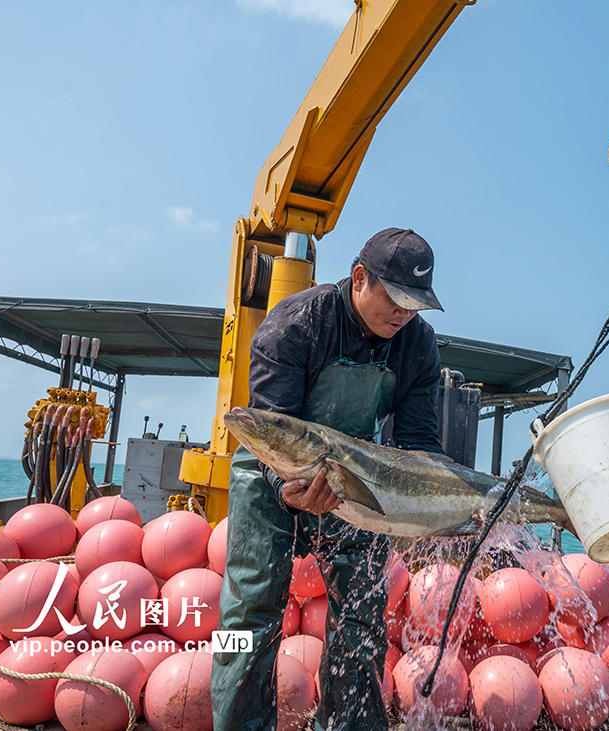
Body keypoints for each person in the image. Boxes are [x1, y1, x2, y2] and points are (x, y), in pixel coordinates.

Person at [211, 228, 446, 731]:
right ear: (360, 277)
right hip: (273, 476)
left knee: (362, 615)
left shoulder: (418, 344)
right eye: (398, 299)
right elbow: (272, 429)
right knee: (245, 617)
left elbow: (420, 444)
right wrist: (288, 491)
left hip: (354, 480)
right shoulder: (297, 322)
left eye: (417, 303)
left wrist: (435, 507)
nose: (405, 314)